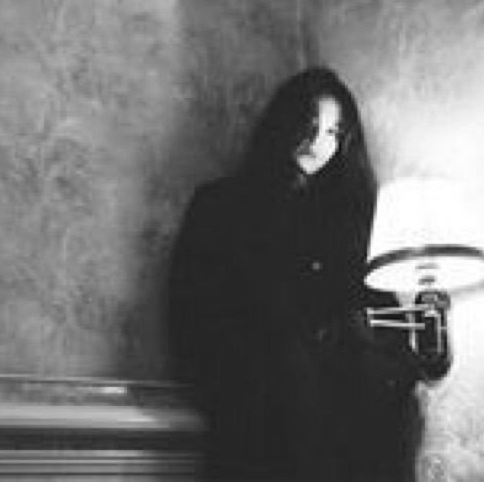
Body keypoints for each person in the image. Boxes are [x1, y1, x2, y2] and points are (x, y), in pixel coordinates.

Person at [170, 67, 447, 482]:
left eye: (334, 132)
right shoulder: (221, 205)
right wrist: (261, 377)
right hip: (262, 426)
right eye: (310, 124)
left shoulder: (355, 218)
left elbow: (383, 325)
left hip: (355, 427)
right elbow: (192, 314)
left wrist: (410, 355)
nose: (319, 143)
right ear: (284, 122)